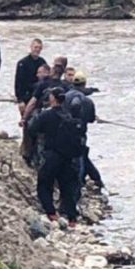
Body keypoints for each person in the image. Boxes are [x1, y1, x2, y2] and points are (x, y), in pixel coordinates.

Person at [27, 87, 85, 228]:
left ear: (52, 99)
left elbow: (32, 128)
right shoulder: (69, 115)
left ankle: (51, 213)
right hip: (68, 157)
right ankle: (72, 219)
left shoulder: (47, 115)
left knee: (44, 185)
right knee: (67, 188)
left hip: (52, 155)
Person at [64, 72, 103, 189]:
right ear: (84, 84)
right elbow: (91, 119)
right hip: (79, 135)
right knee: (80, 158)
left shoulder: (64, 96)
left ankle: (94, 179)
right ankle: (81, 183)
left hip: (64, 133)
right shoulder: (87, 101)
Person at [14, 38, 47, 116]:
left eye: (39, 48)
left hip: (38, 96)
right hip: (25, 95)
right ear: (31, 47)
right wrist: (20, 100)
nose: (37, 50)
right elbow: (18, 82)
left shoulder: (42, 62)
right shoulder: (22, 63)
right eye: (36, 47)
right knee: (25, 120)